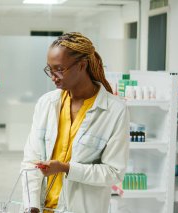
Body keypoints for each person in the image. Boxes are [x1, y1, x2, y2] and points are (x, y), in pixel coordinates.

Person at [21, 32, 129, 213]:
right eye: (50, 69)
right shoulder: (46, 103)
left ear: (82, 65)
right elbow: (31, 161)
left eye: (59, 69)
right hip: (42, 208)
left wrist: (66, 168)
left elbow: (114, 172)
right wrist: (31, 205)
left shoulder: (115, 110)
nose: (53, 76)